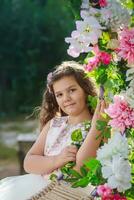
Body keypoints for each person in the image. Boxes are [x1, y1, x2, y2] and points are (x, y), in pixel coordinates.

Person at [0, 61, 106, 200]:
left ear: (85, 89)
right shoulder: (54, 125)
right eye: (59, 94)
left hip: (71, 195)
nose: (66, 98)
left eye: (72, 90)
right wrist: (57, 160)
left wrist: (97, 126)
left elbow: (81, 168)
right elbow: (29, 162)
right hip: (42, 190)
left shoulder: (99, 126)